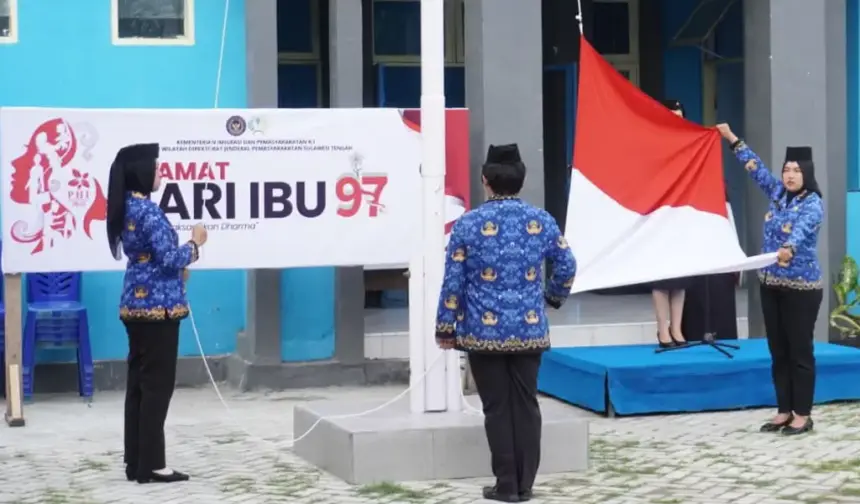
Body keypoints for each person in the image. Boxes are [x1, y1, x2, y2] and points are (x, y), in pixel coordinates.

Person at [435, 144, 576, 502]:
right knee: (527, 405)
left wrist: (446, 327)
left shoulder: (467, 223)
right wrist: (551, 298)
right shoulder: (541, 220)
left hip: (484, 333)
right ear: (521, 181)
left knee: (496, 408)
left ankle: (506, 485)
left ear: (485, 181)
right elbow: (567, 265)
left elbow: (453, 280)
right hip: (529, 329)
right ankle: (526, 484)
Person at [106, 143, 209, 483]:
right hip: (157, 307)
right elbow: (167, 258)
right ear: (142, 173)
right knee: (157, 386)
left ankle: (136, 460)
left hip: (135, 303)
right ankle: (152, 463)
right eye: (157, 167)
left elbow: (151, 257)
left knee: (138, 383)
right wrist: (195, 243)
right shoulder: (149, 212)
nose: (161, 172)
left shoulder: (127, 209)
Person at [717, 123, 823, 436]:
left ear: (806, 173)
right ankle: (783, 410)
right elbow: (756, 169)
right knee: (778, 350)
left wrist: (789, 248)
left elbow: (803, 230)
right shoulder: (777, 194)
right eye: (786, 169)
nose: (789, 175)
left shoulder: (813, 203)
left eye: (796, 170)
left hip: (801, 290)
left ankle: (803, 414)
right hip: (771, 285)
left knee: (799, 351)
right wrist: (732, 139)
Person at [652, 99, 693, 348]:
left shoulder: (691, 145)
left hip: (682, 216)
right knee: (661, 277)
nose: (676, 119)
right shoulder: (654, 143)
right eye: (671, 115)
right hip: (659, 216)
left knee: (681, 278)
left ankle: (677, 329)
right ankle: (662, 330)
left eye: (679, 115)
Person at [681, 190, 740, 341]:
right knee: (695, 295)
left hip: (720, 253)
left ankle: (724, 336)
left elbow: (729, 226)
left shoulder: (720, 193)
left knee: (720, 291)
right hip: (692, 248)